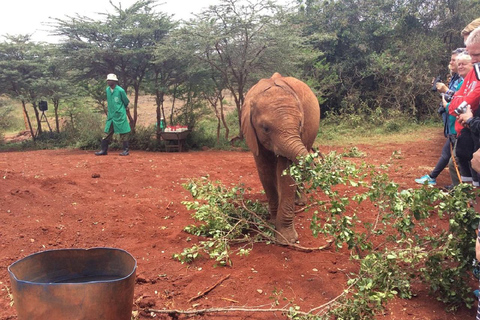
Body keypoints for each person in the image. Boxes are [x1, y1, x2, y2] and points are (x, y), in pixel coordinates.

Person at [415, 48, 466, 186]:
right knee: (448, 154)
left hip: (459, 125)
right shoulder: (456, 78)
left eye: (454, 60)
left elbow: (457, 102)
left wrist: (446, 94)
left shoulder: (464, 80)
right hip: (453, 125)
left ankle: (462, 192)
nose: (451, 62)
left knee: (457, 161)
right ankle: (434, 177)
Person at [95, 74, 131, 156]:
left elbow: (126, 101)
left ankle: (126, 150)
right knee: (107, 131)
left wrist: (122, 109)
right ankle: (104, 150)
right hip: (111, 115)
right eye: (107, 80)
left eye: (110, 80)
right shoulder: (107, 90)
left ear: (114, 81)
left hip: (119, 114)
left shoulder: (120, 90)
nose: (108, 81)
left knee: (123, 132)